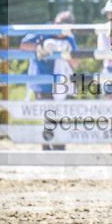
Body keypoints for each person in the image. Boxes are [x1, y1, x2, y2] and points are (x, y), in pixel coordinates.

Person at [20, 10, 77, 149]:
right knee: (48, 118)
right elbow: (23, 44)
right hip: (43, 82)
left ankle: (59, 147)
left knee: (62, 117)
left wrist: (63, 52)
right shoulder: (42, 31)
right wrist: (40, 48)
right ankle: (46, 147)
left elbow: (75, 63)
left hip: (62, 83)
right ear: (56, 24)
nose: (64, 33)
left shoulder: (69, 37)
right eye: (63, 29)